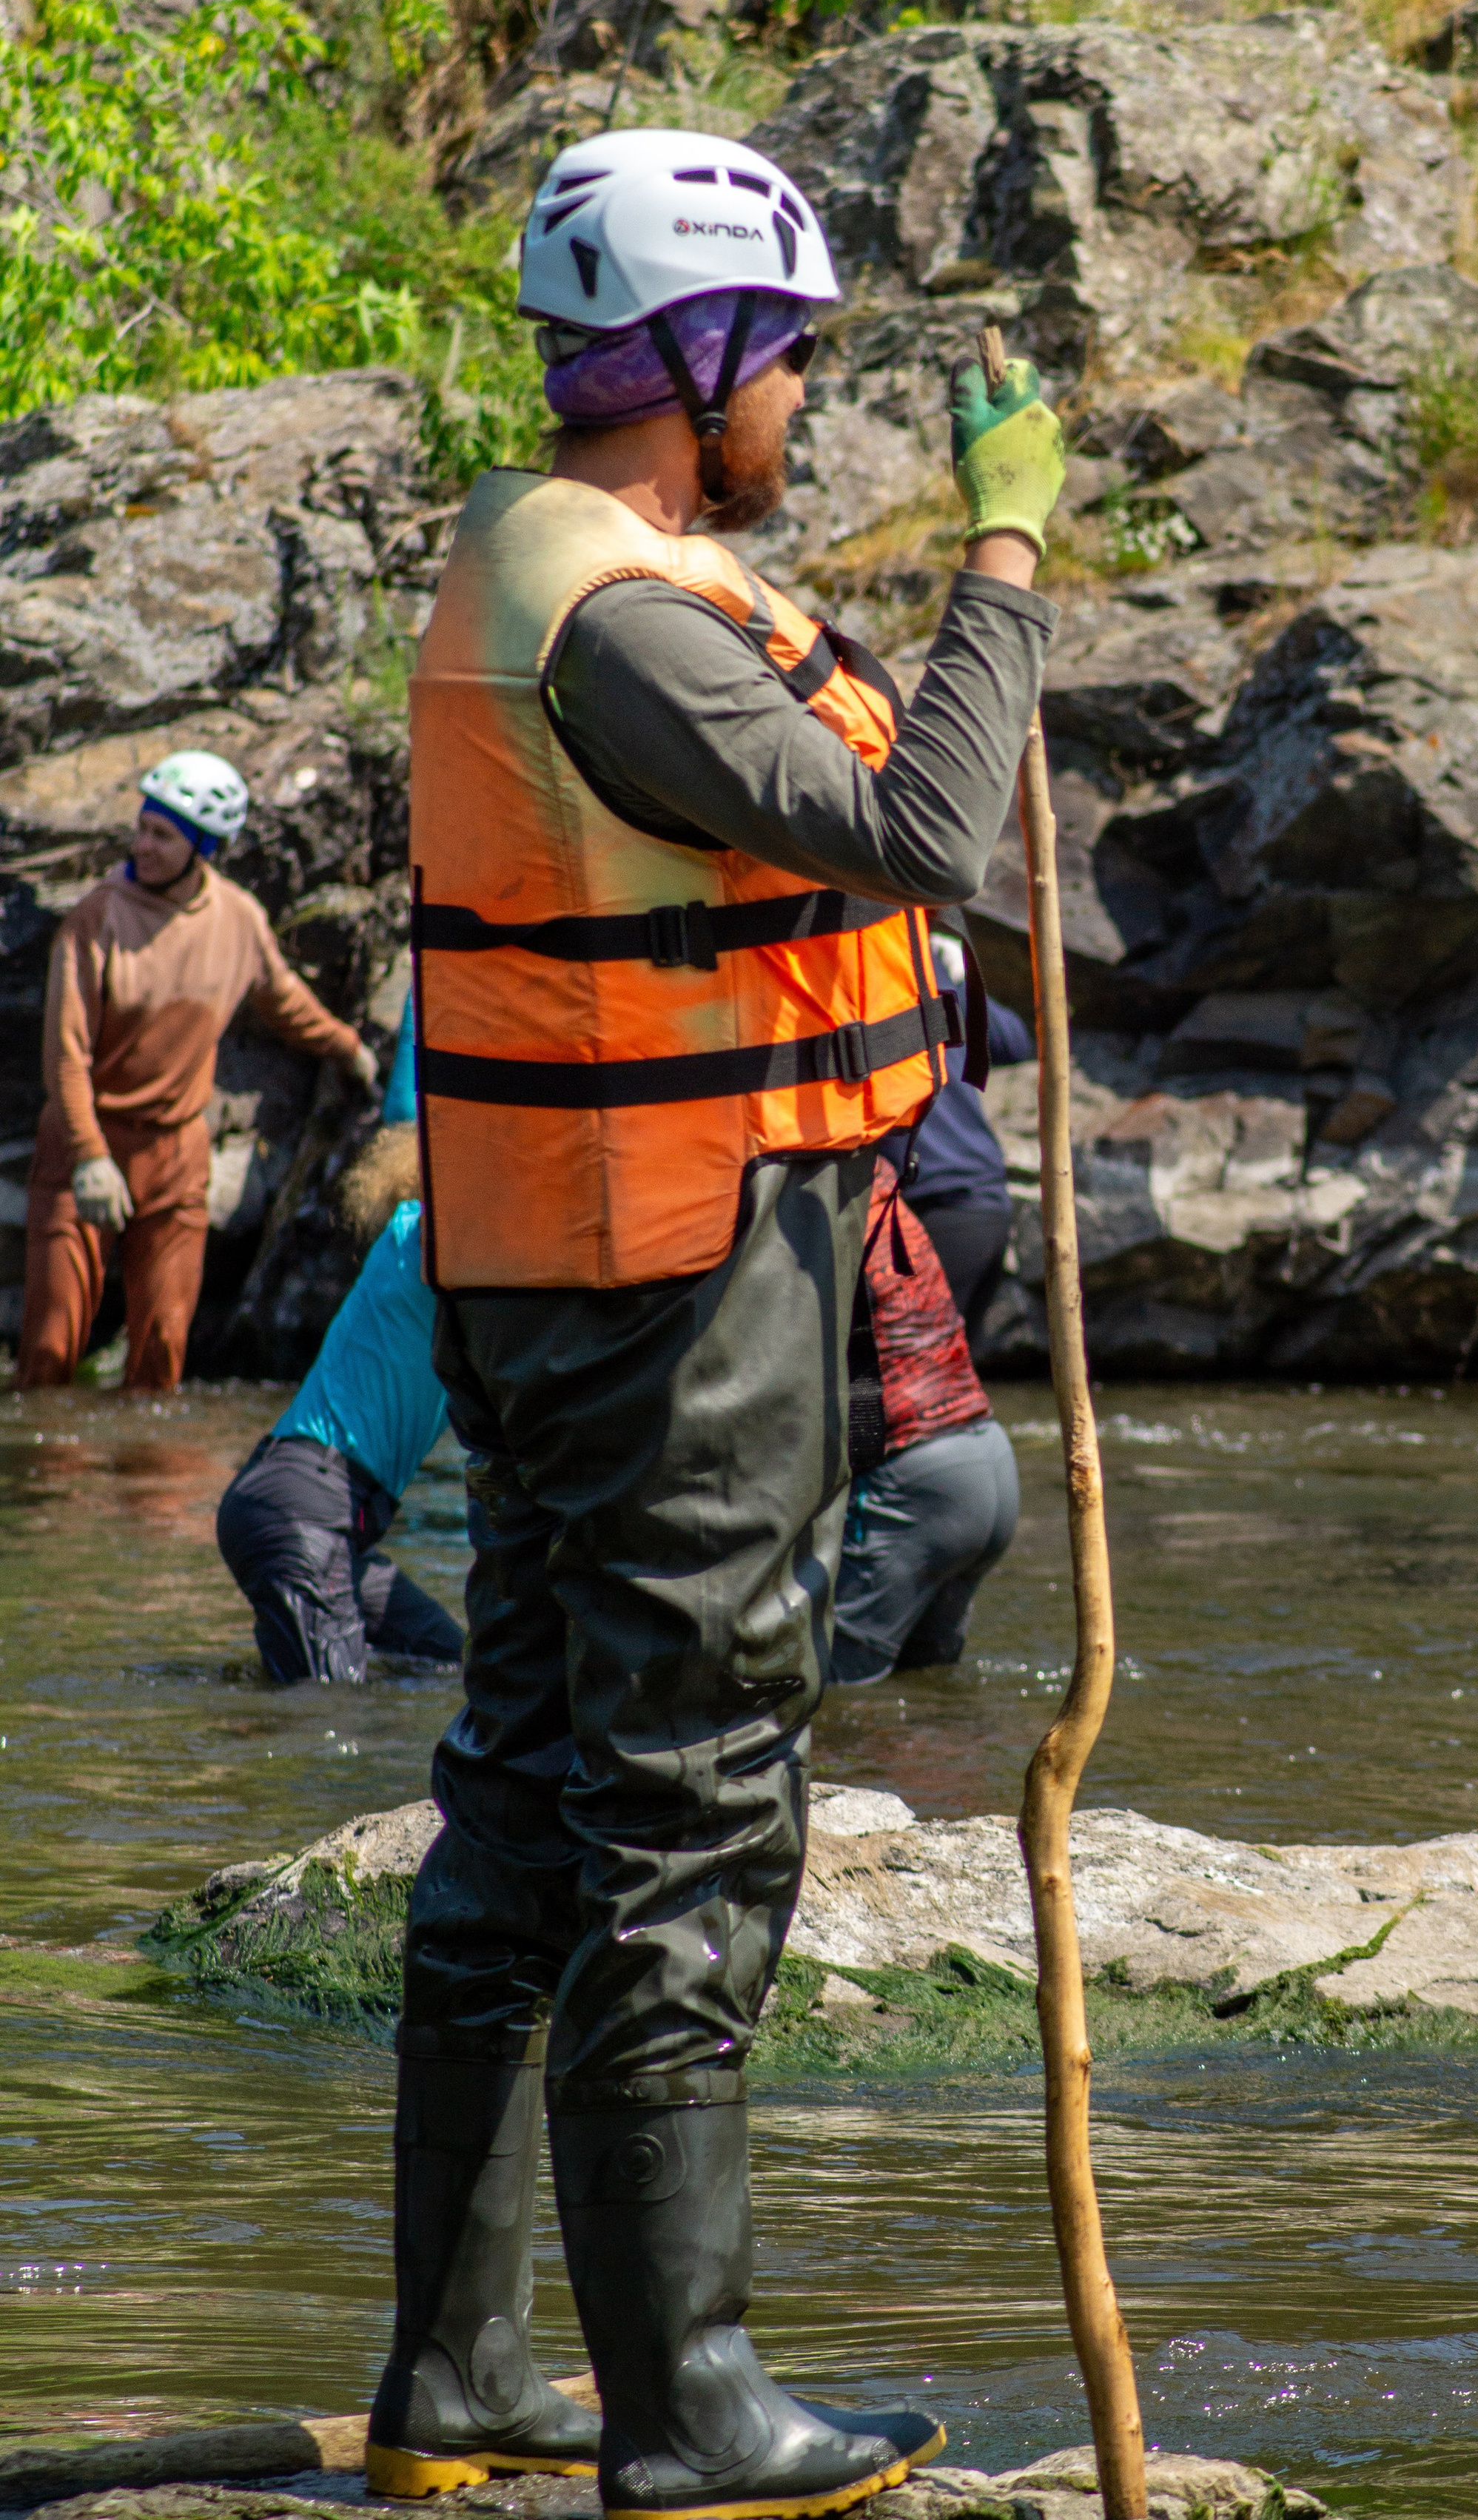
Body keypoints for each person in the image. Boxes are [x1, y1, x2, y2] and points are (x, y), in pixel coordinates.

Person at [365, 129, 1065, 2519]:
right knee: (685, 1812)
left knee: (529, 1802)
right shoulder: (626, 620)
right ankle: (696, 2409)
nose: (801, 397)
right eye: (786, 354)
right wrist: (1008, 552)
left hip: (563, 1258)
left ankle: (458, 2379)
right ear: (695, 356)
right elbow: (932, 832)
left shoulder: (561, 563)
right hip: (679, 1286)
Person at [18, 753, 378, 1393]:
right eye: (142, 828)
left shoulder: (237, 919)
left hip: (177, 1152)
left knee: (161, 1358)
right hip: (86, 1144)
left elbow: (285, 1001)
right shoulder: (95, 919)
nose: (143, 845)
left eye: (163, 835)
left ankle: (152, 1489)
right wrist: (89, 1156)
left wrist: (348, 1047)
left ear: (203, 847)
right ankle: (46, 1486)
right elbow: (66, 1054)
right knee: (49, 1351)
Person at [216, 1126, 466, 1684]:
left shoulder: (405, 1238)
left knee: (451, 1662)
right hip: (308, 1507)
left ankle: (254, 1696)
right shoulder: (430, 1237)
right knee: (327, 1711)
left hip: (309, 1506)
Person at [833, 1158, 1019, 1686]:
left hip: (912, 1480)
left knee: (837, 1696)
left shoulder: (809, 1194)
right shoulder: (878, 1179)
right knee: (930, 1691)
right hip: (988, 1457)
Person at [890, 914, 1032, 1335]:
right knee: (947, 1381)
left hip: (938, 1207)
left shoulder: (880, 977)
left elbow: (1013, 1043)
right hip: (986, 1205)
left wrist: (963, 981)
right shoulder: (930, 969)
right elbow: (1016, 1042)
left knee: (908, 1379)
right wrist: (959, 979)